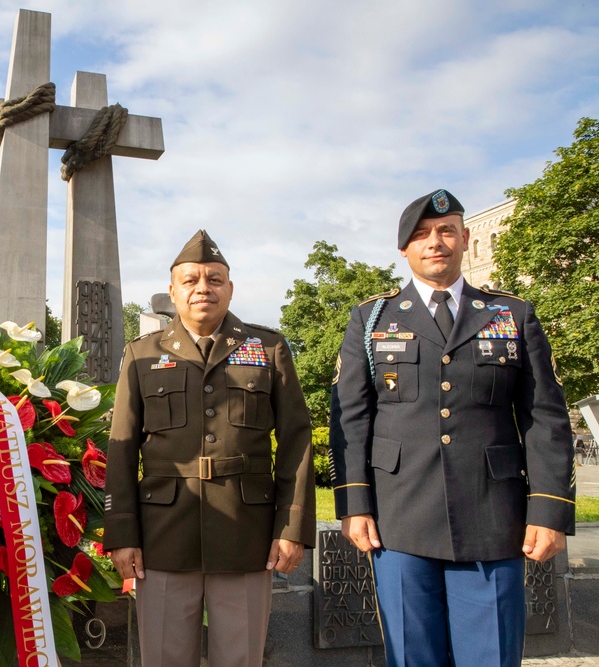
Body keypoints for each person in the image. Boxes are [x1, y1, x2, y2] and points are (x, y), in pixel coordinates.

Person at [329, 189, 576, 667]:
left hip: (492, 516)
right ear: (404, 250)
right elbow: (351, 417)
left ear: (465, 239)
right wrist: (354, 503)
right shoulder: (371, 318)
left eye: (445, 231)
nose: (435, 242)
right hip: (399, 518)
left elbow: (544, 415)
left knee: (491, 656)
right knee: (413, 656)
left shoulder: (511, 314)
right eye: (421, 235)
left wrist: (548, 509)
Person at [103, 230, 316, 667]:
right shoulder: (142, 353)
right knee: (163, 658)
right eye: (192, 280)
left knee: (240, 659)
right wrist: (122, 533)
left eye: (215, 279)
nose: (204, 288)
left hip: (246, 532)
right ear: (173, 290)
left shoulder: (269, 348)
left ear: (230, 288)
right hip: (163, 533)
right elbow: (121, 448)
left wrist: (292, 527)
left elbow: (296, 439)